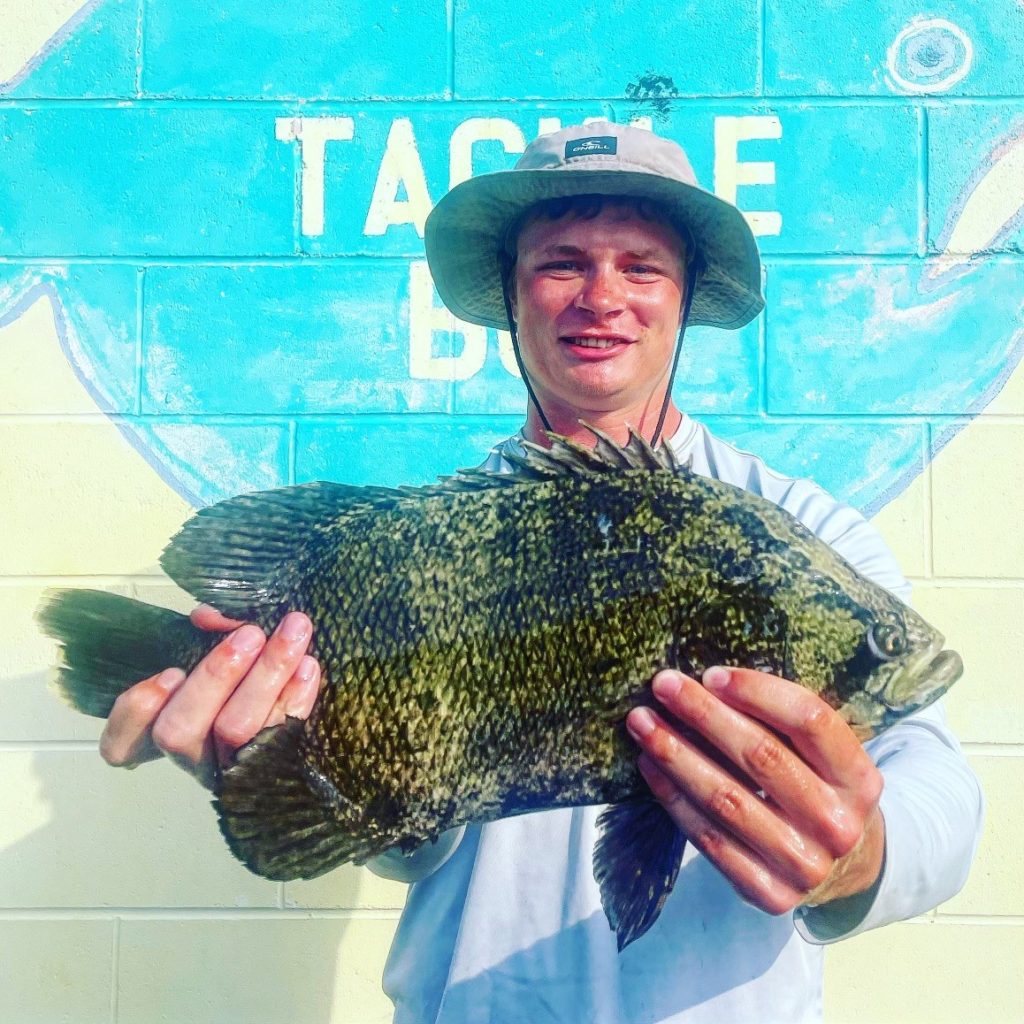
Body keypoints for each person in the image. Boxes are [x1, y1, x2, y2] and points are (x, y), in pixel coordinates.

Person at [97, 122, 983, 1023]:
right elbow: (415, 852)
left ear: (685, 299)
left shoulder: (801, 532)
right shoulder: (433, 538)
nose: (603, 297)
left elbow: (938, 792)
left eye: (641, 267)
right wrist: (282, 758)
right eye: (562, 263)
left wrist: (859, 854)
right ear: (510, 297)